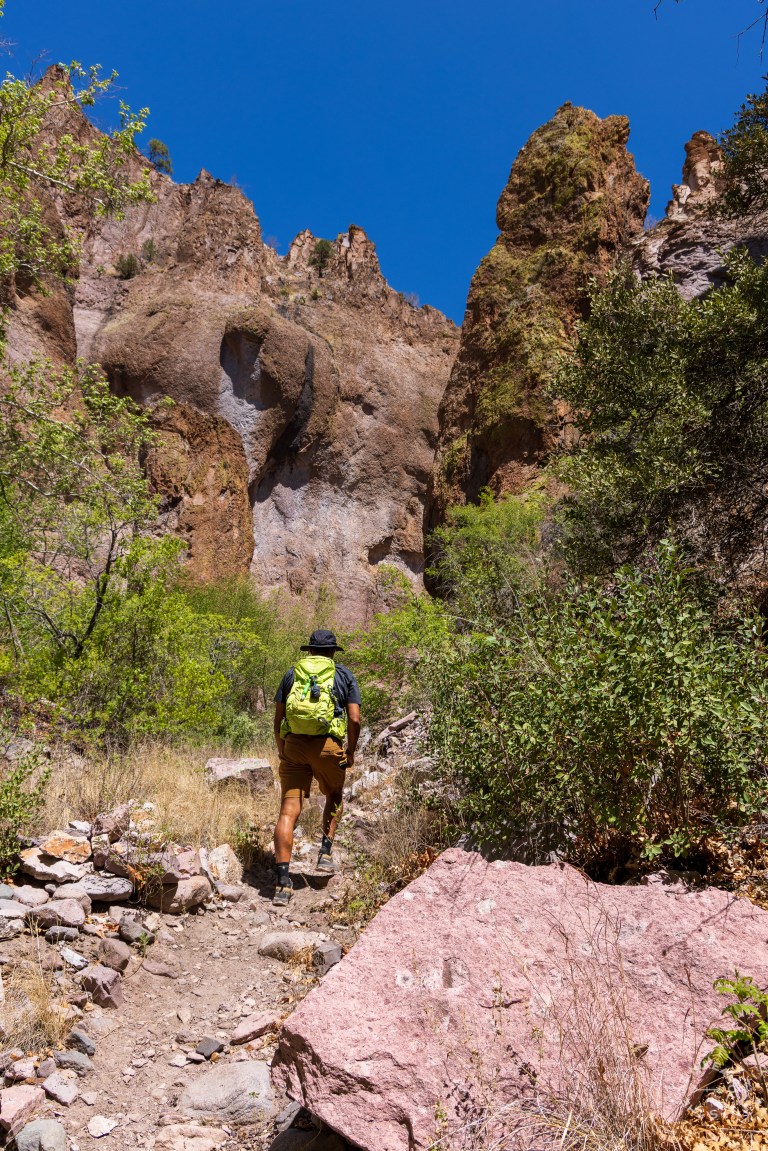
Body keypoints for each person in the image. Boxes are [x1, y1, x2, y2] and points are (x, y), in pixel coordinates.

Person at [272, 629, 361, 906]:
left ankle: (283, 884)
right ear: (333, 652)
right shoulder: (343, 675)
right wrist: (351, 751)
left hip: (294, 746)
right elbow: (355, 719)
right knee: (334, 793)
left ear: (309, 651)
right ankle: (324, 853)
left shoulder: (291, 674)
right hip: (328, 747)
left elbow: (278, 719)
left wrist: (281, 749)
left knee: (288, 811)